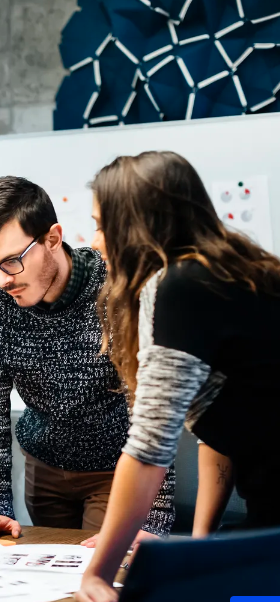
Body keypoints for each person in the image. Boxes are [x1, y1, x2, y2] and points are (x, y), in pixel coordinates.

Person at [77, 151, 280, 602]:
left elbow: (148, 449)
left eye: (101, 225)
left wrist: (98, 573)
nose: (94, 242)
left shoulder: (178, 286)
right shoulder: (238, 270)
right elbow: (233, 421)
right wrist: (195, 545)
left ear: (136, 226)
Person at [0, 176, 175, 544]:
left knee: (104, 577)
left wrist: (153, 519)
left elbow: (152, 403)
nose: (1, 280)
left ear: (52, 239)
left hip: (117, 469)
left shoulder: (116, 288)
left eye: (11, 262)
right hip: (43, 466)